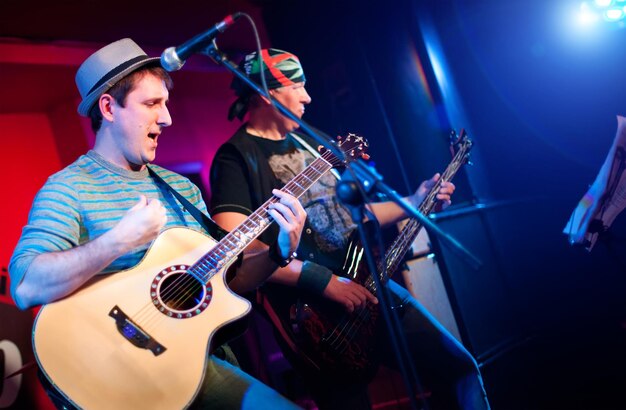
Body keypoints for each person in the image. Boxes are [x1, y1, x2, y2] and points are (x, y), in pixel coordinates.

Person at [8, 39, 306, 409]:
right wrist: (116, 241)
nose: (166, 118)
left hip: (195, 360)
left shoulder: (181, 188)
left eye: (165, 103)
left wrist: (278, 252)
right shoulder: (68, 188)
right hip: (118, 372)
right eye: (151, 104)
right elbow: (24, 285)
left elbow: (229, 280)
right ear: (109, 107)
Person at [209, 48, 490, 409]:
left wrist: (415, 198)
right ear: (266, 92)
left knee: (459, 369)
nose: (308, 97)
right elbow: (234, 251)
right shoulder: (236, 156)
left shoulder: (314, 140)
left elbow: (355, 213)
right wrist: (321, 281)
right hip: (314, 319)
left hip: (369, 285)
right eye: (298, 86)